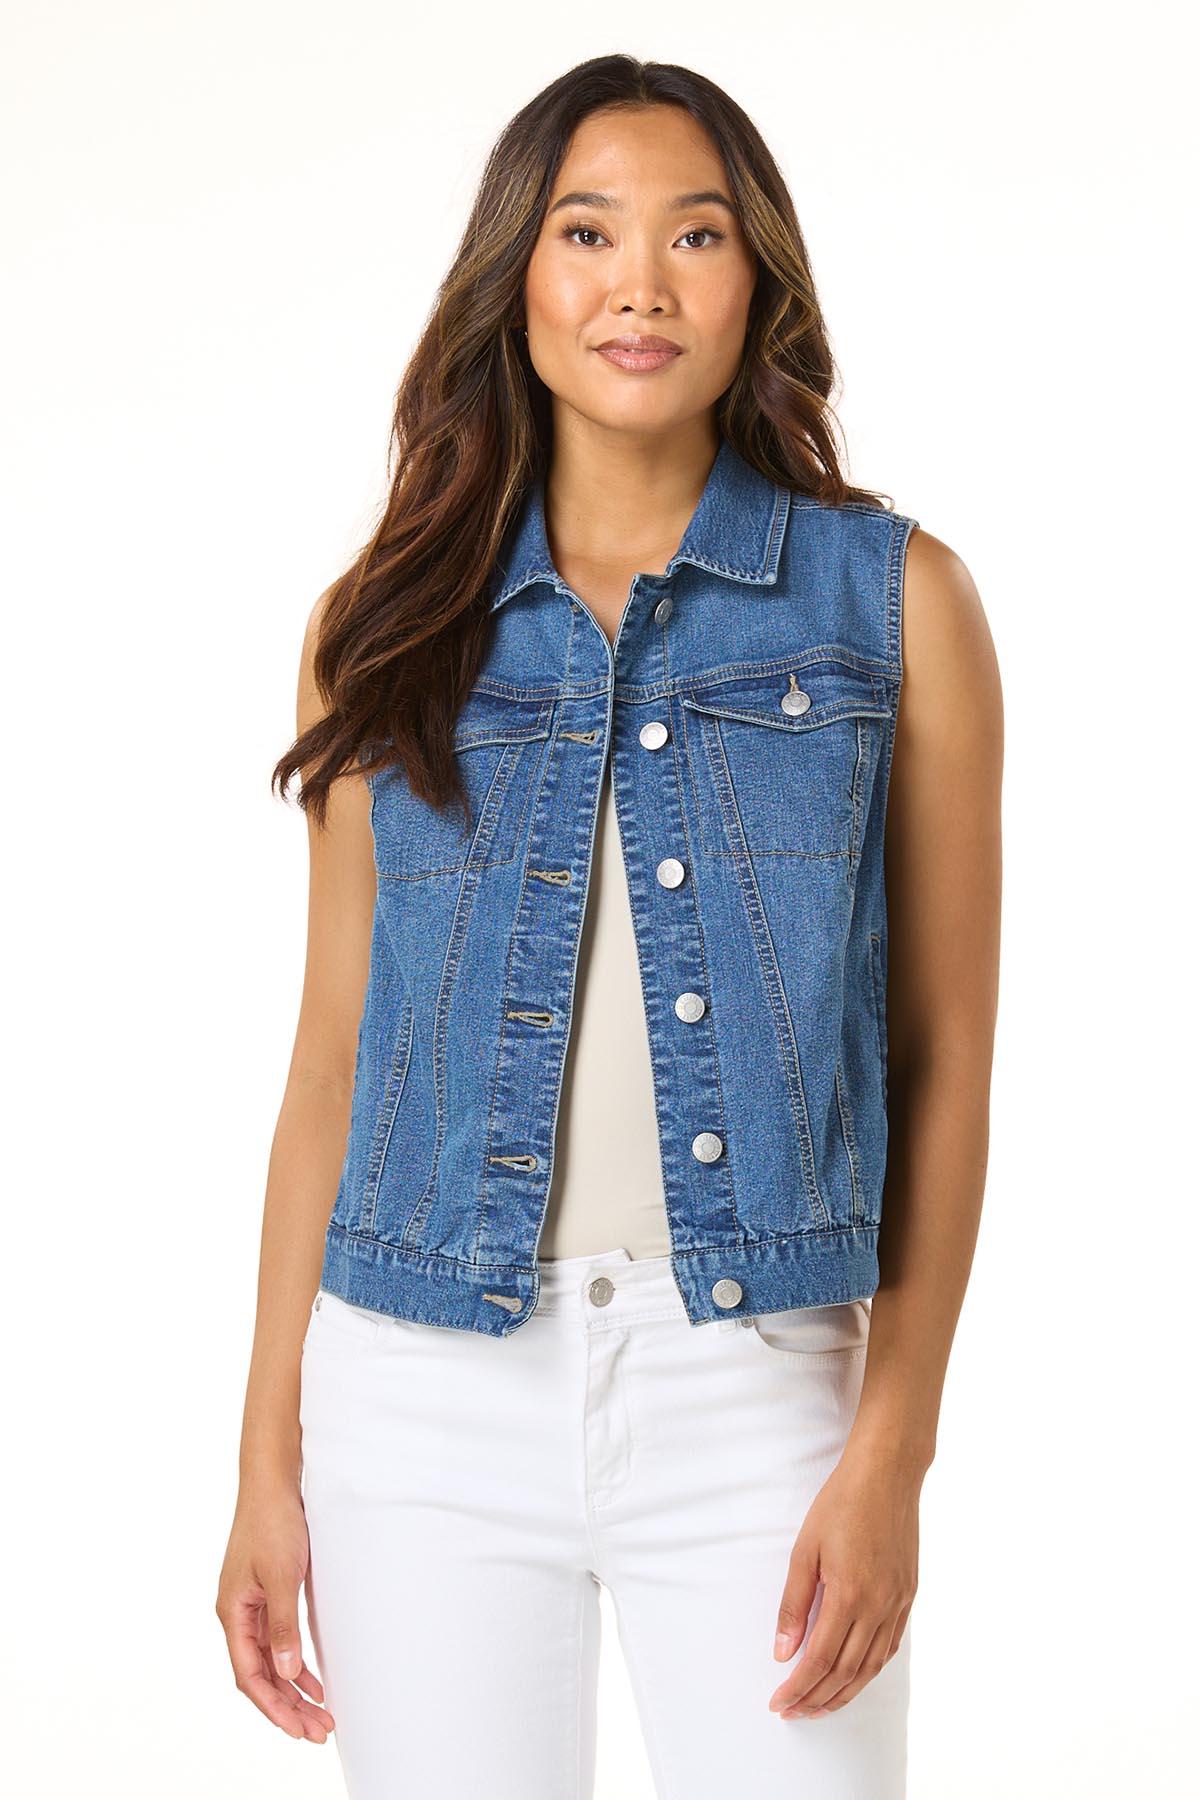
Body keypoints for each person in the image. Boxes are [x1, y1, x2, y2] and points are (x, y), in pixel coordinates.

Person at [216, 53, 1002, 1800]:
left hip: (761, 1387)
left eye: (693, 236)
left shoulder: (896, 605)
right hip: (416, 1392)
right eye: (588, 233)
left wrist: (894, 1450)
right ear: (518, 275)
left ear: (757, 281)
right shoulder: (383, 632)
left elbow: (944, 1055)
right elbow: (333, 1064)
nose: (640, 284)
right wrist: (267, 1460)